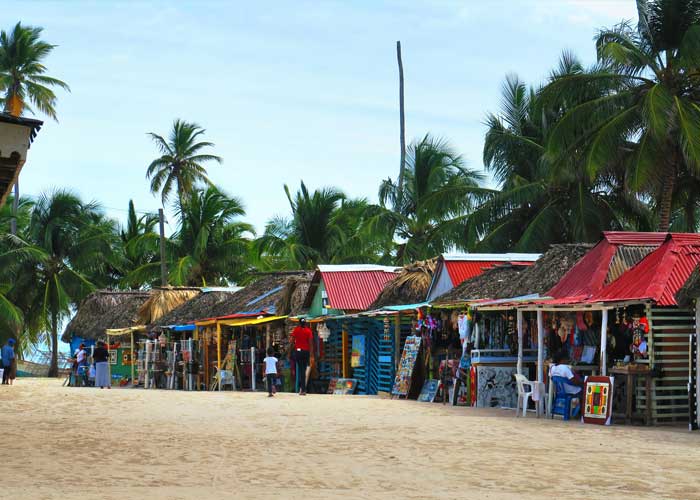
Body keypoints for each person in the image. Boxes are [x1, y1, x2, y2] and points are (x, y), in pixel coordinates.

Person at [290, 318, 313, 395]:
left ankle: (302, 389)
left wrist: (290, 351)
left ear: (299, 323)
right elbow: (310, 343)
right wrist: (311, 354)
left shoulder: (296, 330)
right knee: (303, 369)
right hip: (306, 352)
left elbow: (292, 341)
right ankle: (303, 389)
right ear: (305, 323)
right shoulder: (308, 331)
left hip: (298, 352)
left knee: (301, 370)